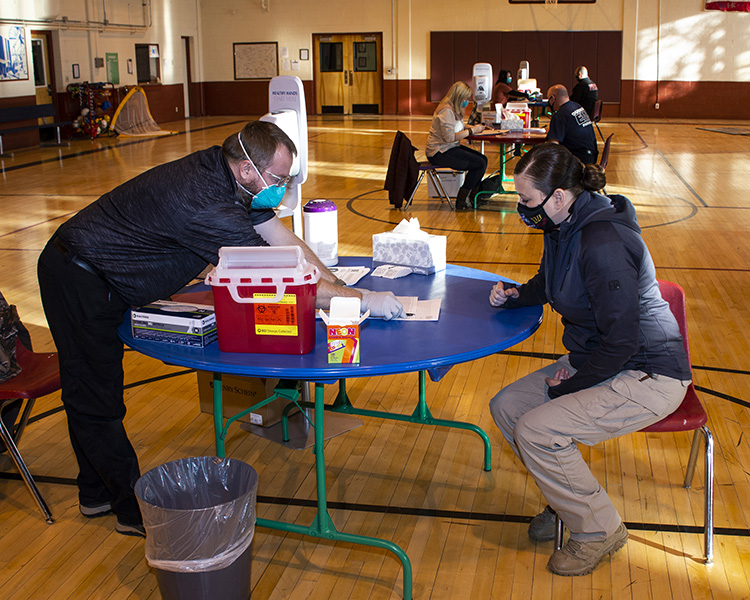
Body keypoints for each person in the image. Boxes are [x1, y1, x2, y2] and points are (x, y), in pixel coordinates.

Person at [37, 120, 404, 537]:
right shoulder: (203, 201)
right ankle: (130, 511)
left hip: (110, 273)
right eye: (279, 178)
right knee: (95, 397)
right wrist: (364, 301)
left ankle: (94, 493)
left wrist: (338, 287)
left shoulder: (233, 179)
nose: (282, 188)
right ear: (248, 169)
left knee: (94, 388)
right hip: (80, 275)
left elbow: (284, 242)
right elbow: (278, 277)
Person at [487, 143, 692, 576]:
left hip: (648, 372)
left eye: (526, 200)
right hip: (601, 358)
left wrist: (571, 385)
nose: (523, 209)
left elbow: (622, 340)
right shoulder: (562, 224)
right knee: (507, 407)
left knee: (538, 429)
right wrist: (515, 296)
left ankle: (598, 529)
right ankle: (568, 501)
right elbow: (549, 281)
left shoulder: (604, 242)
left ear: (558, 196)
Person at [426, 81, 487, 210]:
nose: (466, 101)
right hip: (439, 152)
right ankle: (462, 200)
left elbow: (458, 127)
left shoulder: (454, 108)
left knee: (483, 160)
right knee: (478, 164)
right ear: (458, 97)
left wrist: (474, 127)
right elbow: (449, 137)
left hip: (450, 148)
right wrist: (471, 131)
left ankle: (473, 197)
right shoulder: (446, 111)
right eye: (465, 98)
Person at [546, 84, 599, 165]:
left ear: (553, 98)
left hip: (578, 159)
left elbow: (553, 146)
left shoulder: (560, 115)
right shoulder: (577, 106)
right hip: (591, 155)